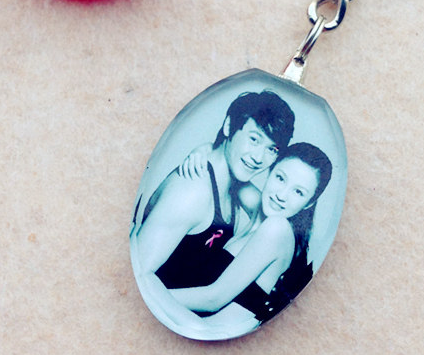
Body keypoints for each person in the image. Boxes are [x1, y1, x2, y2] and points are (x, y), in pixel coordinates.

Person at [131, 90, 295, 296]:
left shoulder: (233, 186)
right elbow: (138, 275)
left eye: (272, 149)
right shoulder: (193, 191)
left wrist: (206, 147)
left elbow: (278, 213)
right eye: (254, 139)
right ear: (229, 126)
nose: (258, 157)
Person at [167, 142, 332, 328]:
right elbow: (227, 166)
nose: (282, 195)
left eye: (298, 192)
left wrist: (152, 291)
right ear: (270, 171)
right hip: (188, 323)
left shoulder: (277, 228)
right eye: (280, 178)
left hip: (204, 331)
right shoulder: (258, 208)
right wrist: (201, 150)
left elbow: (213, 299)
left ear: (309, 203)